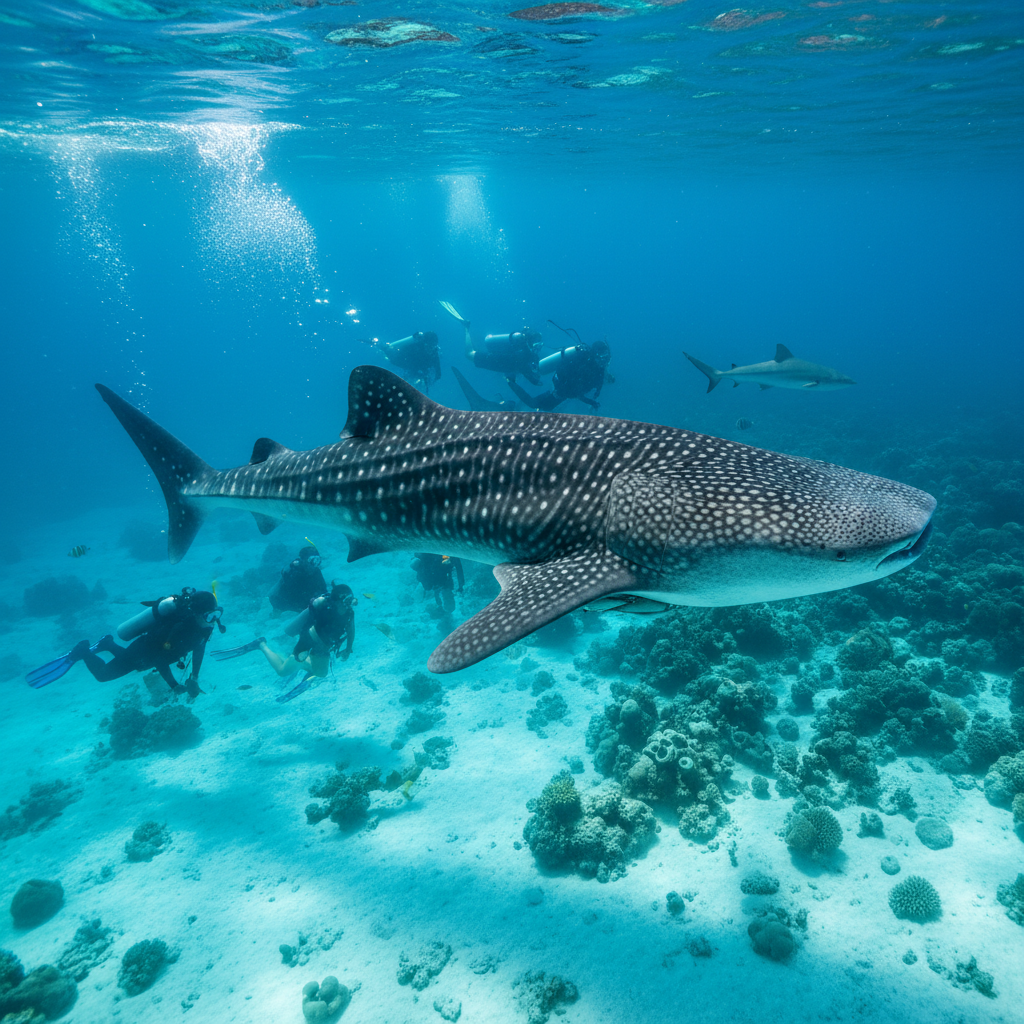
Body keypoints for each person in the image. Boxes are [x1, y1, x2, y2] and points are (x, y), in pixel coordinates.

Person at [26, 588, 224, 698]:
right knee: (103, 676)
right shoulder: (180, 629)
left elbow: (199, 648)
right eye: (207, 615)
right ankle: (84, 651)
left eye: (214, 615)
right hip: (143, 652)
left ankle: (108, 644)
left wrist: (194, 677)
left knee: (132, 663)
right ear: (196, 613)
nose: (211, 620)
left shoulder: (203, 628)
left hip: (144, 655)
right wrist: (174, 686)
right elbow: (160, 660)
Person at [214, 582, 357, 681]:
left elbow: (351, 630)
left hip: (323, 646)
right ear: (337, 601)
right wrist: (321, 648)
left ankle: (304, 663)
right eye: (347, 600)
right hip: (308, 642)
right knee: (282, 671)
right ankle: (261, 645)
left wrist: (348, 648)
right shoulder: (325, 609)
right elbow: (311, 631)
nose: (350, 604)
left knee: (322, 673)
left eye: (351, 600)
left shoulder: (349, 612)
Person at [440, 301, 542, 385]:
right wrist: (535, 381)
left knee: (475, 351)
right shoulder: (527, 356)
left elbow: (524, 370)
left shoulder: (526, 354)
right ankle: (466, 328)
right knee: (469, 354)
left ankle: (469, 330)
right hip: (503, 360)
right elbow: (527, 372)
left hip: (505, 360)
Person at [508, 339, 612, 411]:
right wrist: (592, 402)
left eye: (606, 357)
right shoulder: (581, 363)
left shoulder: (599, 369)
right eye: (601, 357)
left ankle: (513, 402)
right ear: (595, 355)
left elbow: (594, 386)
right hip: (560, 391)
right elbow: (576, 391)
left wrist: (593, 400)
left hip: (566, 393)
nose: (604, 361)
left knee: (545, 408)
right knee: (534, 404)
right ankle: (510, 381)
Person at [368, 331, 442, 390]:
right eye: (429, 346)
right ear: (424, 344)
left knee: (420, 380)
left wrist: (427, 382)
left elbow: (438, 374)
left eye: (433, 346)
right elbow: (395, 352)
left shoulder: (434, 354)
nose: (431, 349)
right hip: (402, 360)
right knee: (385, 350)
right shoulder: (415, 347)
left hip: (415, 368)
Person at [269, 545, 327, 615]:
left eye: (317, 560)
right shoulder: (294, 571)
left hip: (301, 602)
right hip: (282, 602)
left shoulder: (316, 571)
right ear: (304, 560)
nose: (315, 563)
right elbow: (292, 593)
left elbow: (322, 588)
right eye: (312, 560)